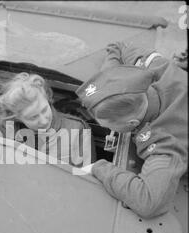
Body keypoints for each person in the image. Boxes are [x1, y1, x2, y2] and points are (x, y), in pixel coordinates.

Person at [76, 41, 188, 218]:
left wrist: (100, 168)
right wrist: (109, 78)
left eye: (108, 126)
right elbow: (118, 47)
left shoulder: (164, 143)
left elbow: (149, 202)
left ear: (131, 124)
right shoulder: (157, 68)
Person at [0, 72, 96, 167]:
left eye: (44, 110)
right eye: (33, 117)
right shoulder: (11, 131)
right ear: (17, 118)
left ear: (48, 99)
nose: (44, 121)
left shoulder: (77, 129)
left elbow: (87, 176)